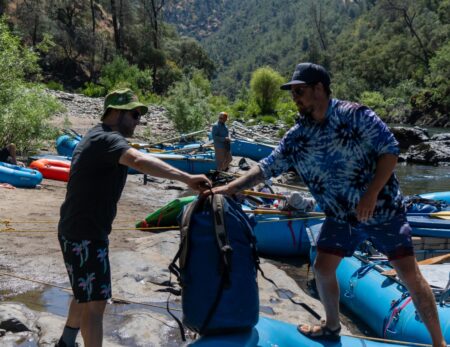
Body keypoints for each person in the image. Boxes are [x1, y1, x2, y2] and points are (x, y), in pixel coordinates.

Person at [211, 63, 446, 346]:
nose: (294, 97)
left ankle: (438, 343)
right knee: (323, 268)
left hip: (382, 210)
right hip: (340, 216)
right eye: (293, 92)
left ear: (319, 88)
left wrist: (371, 193)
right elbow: (266, 168)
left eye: (300, 91)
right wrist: (229, 187)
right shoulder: (298, 136)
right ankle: (332, 326)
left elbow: (390, 152)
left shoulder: (356, 116)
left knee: (409, 273)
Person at [56, 88, 211, 347]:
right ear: (116, 112)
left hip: (79, 229)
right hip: (85, 233)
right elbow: (138, 160)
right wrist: (187, 178)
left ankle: (65, 342)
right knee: (96, 305)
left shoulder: (96, 136)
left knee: (84, 292)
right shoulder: (108, 139)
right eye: (135, 114)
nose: (139, 121)